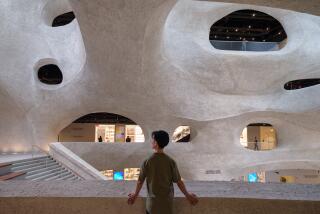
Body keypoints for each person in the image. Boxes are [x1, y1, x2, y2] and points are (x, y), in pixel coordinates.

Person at [127, 130, 198, 214]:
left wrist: (135, 195)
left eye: (153, 140)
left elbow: (140, 181)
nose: (151, 141)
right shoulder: (171, 161)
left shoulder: (147, 161)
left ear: (156, 143)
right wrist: (188, 195)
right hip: (167, 205)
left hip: (152, 206)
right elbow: (179, 182)